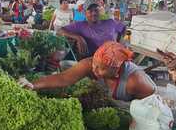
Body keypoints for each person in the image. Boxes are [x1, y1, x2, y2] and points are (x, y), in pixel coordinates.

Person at [28, 42, 156, 102]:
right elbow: (63, 78)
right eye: (95, 63)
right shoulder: (90, 64)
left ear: (116, 70)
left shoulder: (135, 81)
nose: (94, 70)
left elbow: (148, 109)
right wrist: (33, 84)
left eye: (101, 68)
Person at [60, 3, 126, 57]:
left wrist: (119, 42)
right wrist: (78, 37)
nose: (94, 13)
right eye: (90, 11)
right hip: (92, 59)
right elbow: (60, 30)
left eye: (96, 11)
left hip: (113, 57)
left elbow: (123, 28)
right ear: (85, 14)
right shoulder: (80, 25)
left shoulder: (110, 22)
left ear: (100, 12)